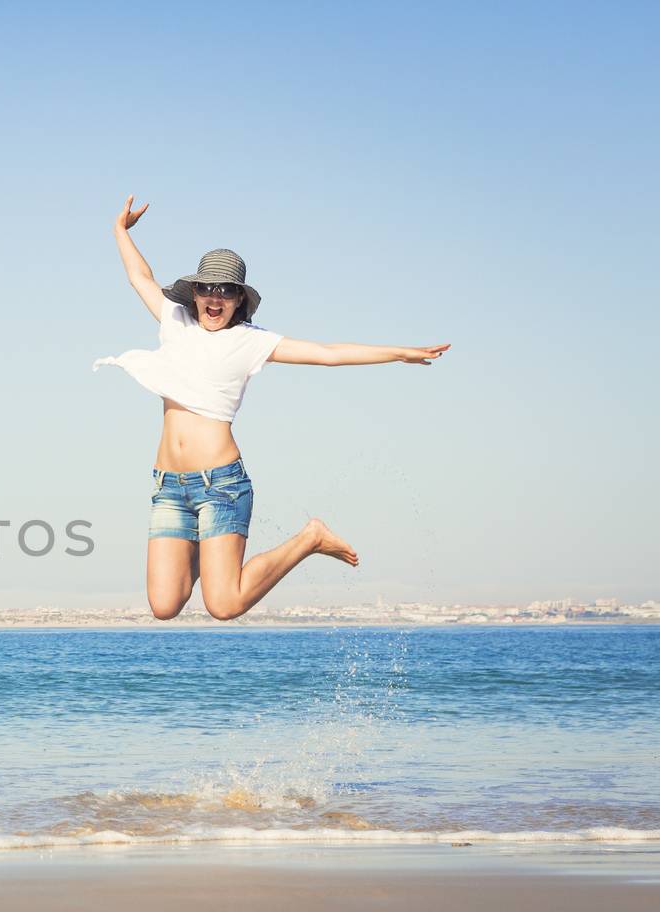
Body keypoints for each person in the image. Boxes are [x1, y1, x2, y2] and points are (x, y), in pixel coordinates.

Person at [94, 195, 448, 621]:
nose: (214, 297)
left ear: (239, 300)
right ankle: (212, 554)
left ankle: (310, 538)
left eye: (226, 291)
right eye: (207, 287)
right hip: (168, 486)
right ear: (195, 292)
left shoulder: (251, 341)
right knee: (165, 605)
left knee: (223, 605)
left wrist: (398, 353)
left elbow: (326, 352)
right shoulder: (175, 321)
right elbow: (140, 276)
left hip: (220, 485)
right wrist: (120, 230)